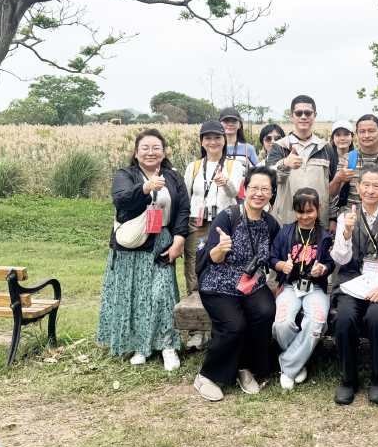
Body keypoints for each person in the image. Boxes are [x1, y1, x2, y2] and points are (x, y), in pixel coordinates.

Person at [99, 129, 190, 371]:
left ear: (163, 152)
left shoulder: (173, 177)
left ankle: (168, 346)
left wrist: (179, 240)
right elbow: (120, 199)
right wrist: (145, 187)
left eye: (156, 148)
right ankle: (140, 345)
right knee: (135, 295)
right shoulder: (125, 174)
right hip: (133, 243)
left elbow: (182, 210)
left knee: (161, 295)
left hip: (162, 241)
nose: (150, 152)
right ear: (136, 153)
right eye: (145, 148)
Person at [194, 166, 281, 402]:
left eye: (266, 188)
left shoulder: (270, 223)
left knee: (265, 311)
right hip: (219, 280)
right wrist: (221, 249)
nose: (259, 193)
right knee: (235, 324)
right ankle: (207, 375)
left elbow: (274, 258)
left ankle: (246, 367)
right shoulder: (229, 216)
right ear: (245, 189)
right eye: (254, 187)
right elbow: (213, 257)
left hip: (251, 282)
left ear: (271, 193)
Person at [330, 164, 378, 405]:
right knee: (343, 318)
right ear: (357, 187)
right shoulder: (346, 217)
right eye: (366, 185)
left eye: (377, 186)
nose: (371, 190)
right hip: (352, 281)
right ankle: (348, 377)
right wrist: (346, 234)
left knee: (377, 318)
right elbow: (340, 260)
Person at [182, 120, 244, 351]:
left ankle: (221, 325)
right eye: (207, 138)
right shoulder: (194, 167)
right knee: (194, 269)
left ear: (223, 140)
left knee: (223, 270)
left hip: (224, 225)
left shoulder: (233, 165)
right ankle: (196, 330)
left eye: (217, 137)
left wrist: (226, 182)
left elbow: (235, 192)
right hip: (197, 224)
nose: (213, 142)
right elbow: (186, 199)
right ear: (201, 142)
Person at [270, 188, 335, 390]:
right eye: (300, 212)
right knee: (281, 323)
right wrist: (282, 266)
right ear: (294, 211)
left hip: (315, 288)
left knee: (316, 320)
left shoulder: (324, 236)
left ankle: (288, 365)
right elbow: (272, 259)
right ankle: (300, 362)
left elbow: (331, 263)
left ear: (318, 209)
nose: (305, 216)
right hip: (290, 284)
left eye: (310, 211)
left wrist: (322, 269)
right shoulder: (285, 232)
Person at [266, 95, 340, 230]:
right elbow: (270, 179)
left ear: (315, 115)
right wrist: (285, 164)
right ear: (291, 116)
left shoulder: (325, 148)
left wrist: (333, 218)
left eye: (308, 113)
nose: (303, 116)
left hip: (319, 221)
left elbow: (332, 186)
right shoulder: (279, 146)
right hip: (287, 220)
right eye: (299, 113)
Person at [334, 114, 378, 215]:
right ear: (357, 134)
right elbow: (332, 193)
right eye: (362, 131)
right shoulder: (347, 159)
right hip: (352, 222)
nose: (366, 135)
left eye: (371, 131)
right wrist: (338, 179)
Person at [220, 107, 259, 172]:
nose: (230, 124)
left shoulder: (248, 149)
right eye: (226, 121)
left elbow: (257, 174)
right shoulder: (215, 147)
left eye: (234, 121)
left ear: (239, 125)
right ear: (220, 124)